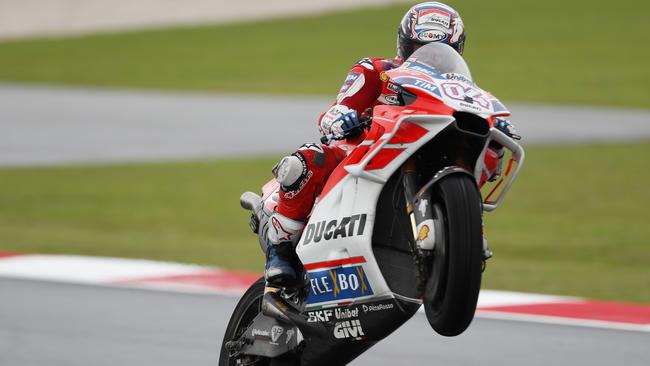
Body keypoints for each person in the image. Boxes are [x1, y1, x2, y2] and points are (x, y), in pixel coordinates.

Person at [263, 2, 519, 286]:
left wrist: (497, 126)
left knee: (492, 152)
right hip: (365, 151)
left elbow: (490, 116)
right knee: (308, 160)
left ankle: (459, 230)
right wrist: (342, 117)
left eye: (439, 49)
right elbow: (336, 109)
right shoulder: (376, 70)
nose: (428, 56)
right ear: (404, 44)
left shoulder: (464, 90)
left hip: (429, 152)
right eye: (418, 48)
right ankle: (280, 251)